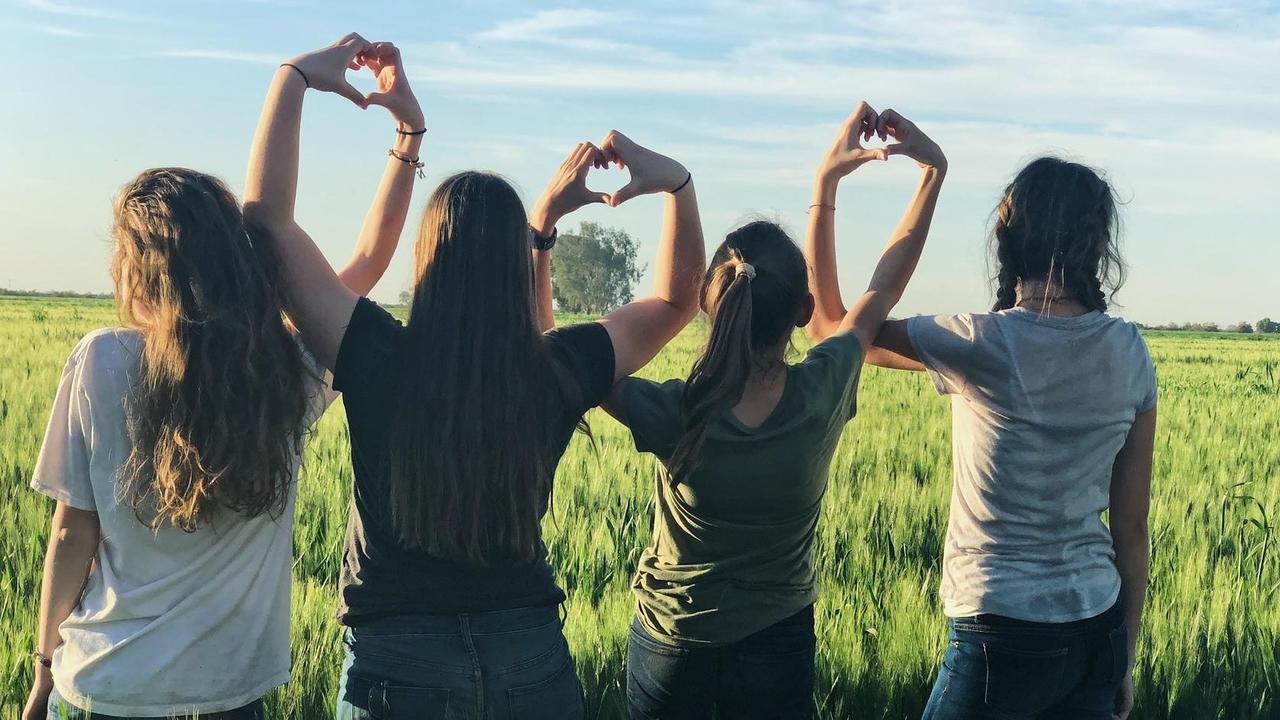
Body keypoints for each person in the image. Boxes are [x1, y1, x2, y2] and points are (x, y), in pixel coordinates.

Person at [242, 34, 706, 720]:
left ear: (428, 260)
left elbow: (267, 225)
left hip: (394, 666)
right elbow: (674, 301)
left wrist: (295, 77)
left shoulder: (373, 353)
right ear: (515, 265)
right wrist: (675, 184)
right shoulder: (558, 368)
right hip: (530, 660)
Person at [21, 41, 422, 720]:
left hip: (103, 686)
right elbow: (367, 261)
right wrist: (406, 134)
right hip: (229, 697)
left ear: (136, 268)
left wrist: (41, 671)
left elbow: (70, 536)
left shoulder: (99, 361)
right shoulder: (282, 371)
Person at [598, 102, 947, 719]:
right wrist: (920, 173)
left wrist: (543, 234)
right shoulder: (823, 388)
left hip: (673, 642)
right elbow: (882, 288)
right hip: (777, 643)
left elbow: (572, 362)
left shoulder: (678, 408)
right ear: (802, 310)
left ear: (709, 304)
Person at [815, 156, 1155, 720]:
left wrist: (828, 185)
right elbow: (1132, 527)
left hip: (1000, 630)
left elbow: (831, 329)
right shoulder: (1129, 350)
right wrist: (1126, 659)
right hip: (1098, 630)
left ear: (1009, 237)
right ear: (1098, 245)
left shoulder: (980, 341)